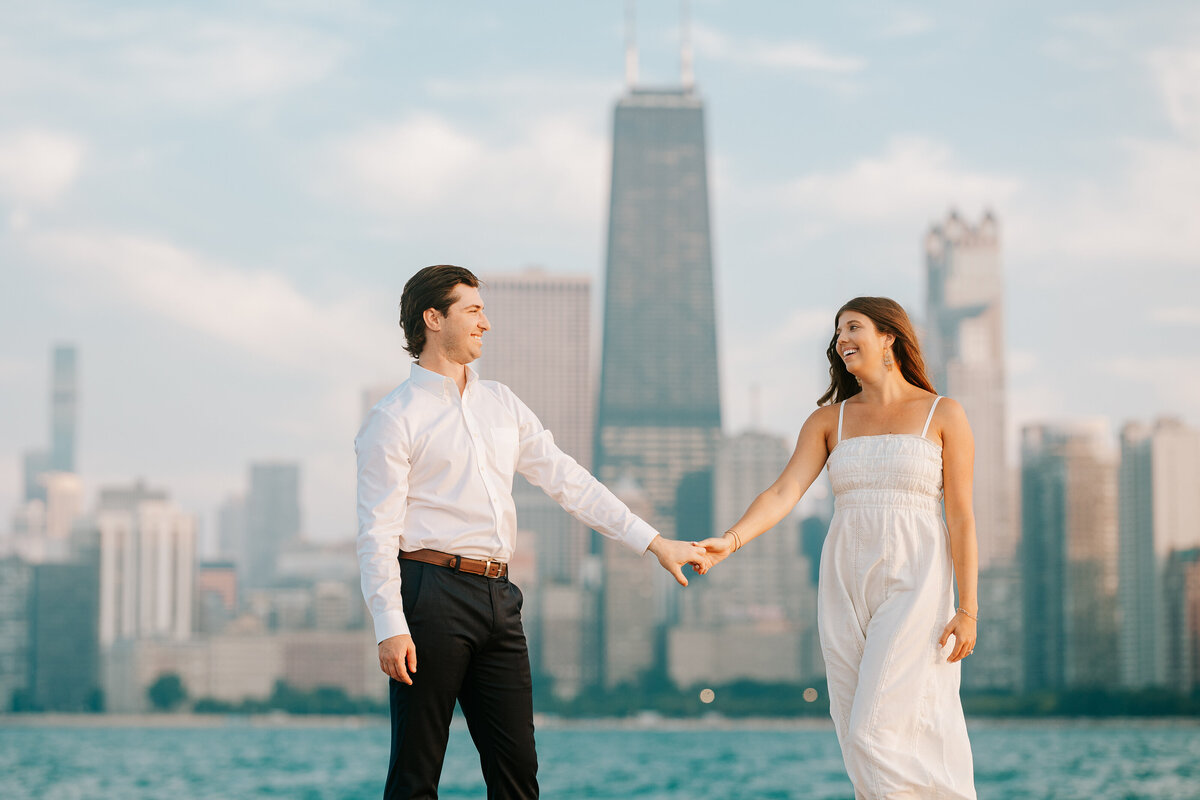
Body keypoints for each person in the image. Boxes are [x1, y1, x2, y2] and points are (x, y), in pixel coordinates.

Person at [356, 264, 710, 800]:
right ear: (433, 318)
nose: (486, 324)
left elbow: (570, 482)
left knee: (518, 772)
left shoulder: (501, 403)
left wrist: (654, 541)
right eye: (473, 311)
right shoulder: (394, 418)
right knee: (416, 771)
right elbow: (377, 533)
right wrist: (390, 626)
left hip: (500, 596)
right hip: (429, 595)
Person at [699, 296, 978, 799]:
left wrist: (969, 609)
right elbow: (783, 493)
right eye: (837, 332)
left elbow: (960, 515)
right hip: (844, 581)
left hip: (916, 581)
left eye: (854, 327)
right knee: (854, 731)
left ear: (889, 336)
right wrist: (731, 540)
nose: (842, 339)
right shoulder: (829, 420)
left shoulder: (943, 413)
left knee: (874, 732)